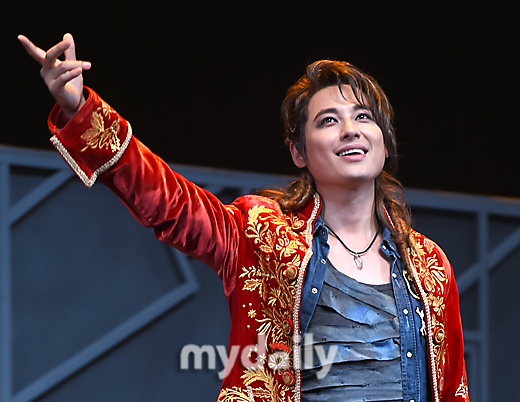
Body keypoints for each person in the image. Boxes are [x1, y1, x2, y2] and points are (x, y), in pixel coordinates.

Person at [18, 33, 469, 402]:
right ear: (298, 152)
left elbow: (452, 392)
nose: (350, 130)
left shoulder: (428, 266)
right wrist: (81, 111)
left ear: (384, 143)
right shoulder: (259, 231)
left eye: (363, 117)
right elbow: (168, 202)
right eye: (328, 120)